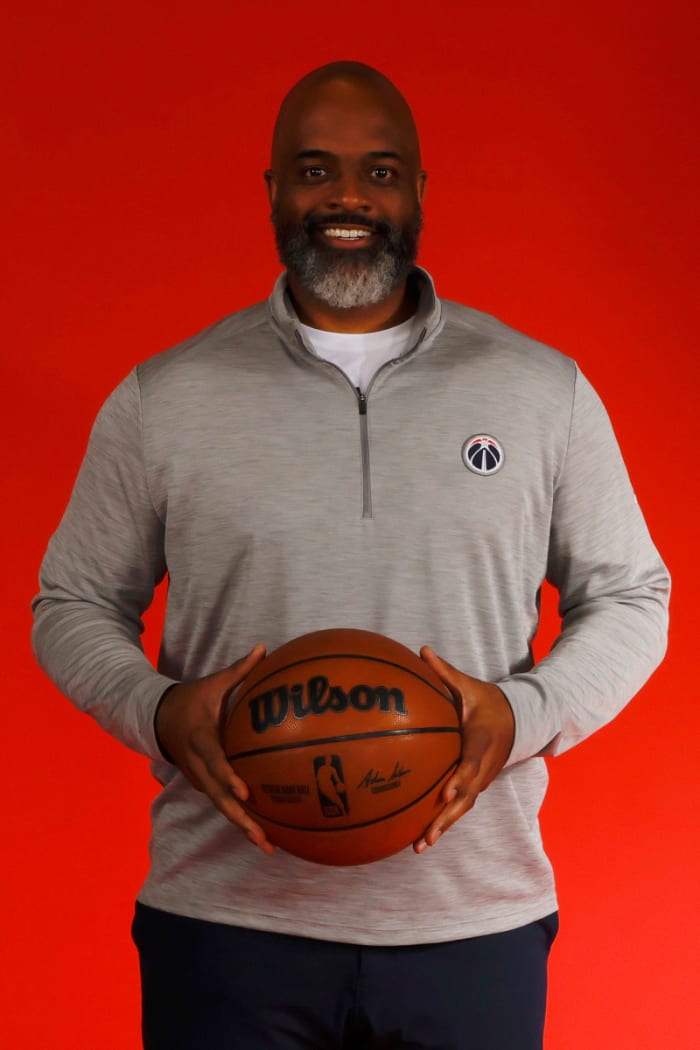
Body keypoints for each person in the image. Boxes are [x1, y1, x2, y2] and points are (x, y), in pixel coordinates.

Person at [32, 61, 670, 1049]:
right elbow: (69, 602)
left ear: (417, 191)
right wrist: (158, 711)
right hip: (225, 925)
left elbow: (632, 594)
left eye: (378, 173)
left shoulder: (539, 390)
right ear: (274, 191)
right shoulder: (168, 396)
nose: (346, 199)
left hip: (472, 923)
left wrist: (522, 711)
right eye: (314, 170)